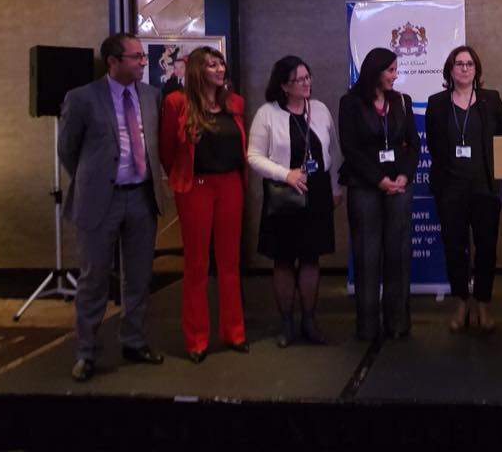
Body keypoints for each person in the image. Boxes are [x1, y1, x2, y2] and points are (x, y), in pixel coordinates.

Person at [58, 33, 166, 382]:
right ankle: (87, 352)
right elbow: (68, 150)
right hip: (99, 200)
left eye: (143, 57)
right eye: (136, 57)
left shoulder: (151, 95)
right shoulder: (82, 98)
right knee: (93, 279)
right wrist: (93, 180)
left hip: (141, 197)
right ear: (113, 61)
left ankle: (134, 341)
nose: (142, 62)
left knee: (139, 277)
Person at [247, 56, 343, 347]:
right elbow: (253, 156)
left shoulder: (321, 110)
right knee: (284, 260)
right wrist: (285, 174)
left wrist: (335, 188)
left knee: (312, 258)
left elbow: (332, 152)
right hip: (285, 194)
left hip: (317, 192)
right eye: (298, 80)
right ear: (284, 85)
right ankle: (286, 323)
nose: (306, 83)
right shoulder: (267, 114)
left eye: (307, 77)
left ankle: (309, 321)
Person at [160, 46, 248, 363]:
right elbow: (166, 151)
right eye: (212, 65)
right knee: (197, 263)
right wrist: (184, 166)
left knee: (230, 261)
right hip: (196, 186)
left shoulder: (234, 103)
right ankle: (196, 338)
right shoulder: (177, 103)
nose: (220, 69)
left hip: (231, 184)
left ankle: (234, 331)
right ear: (198, 70)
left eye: (221, 63)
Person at [338, 47, 419, 341]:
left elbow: (414, 145)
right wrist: (379, 180)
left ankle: (398, 323)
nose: (395, 76)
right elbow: (350, 148)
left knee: (398, 254)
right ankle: (368, 325)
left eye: (396, 70)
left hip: (399, 185)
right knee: (367, 255)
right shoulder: (350, 103)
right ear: (375, 71)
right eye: (391, 70)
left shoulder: (402, 102)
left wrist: (404, 176)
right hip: (365, 187)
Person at [425, 46, 502, 332]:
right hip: (450, 188)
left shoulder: (491, 100)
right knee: (454, 248)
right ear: (450, 69)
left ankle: (483, 302)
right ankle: (461, 301)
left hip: (485, 188)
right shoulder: (437, 103)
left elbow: (501, 139)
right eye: (458, 63)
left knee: (486, 248)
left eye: (469, 63)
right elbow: (434, 145)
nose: (464, 68)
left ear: (476, 69)